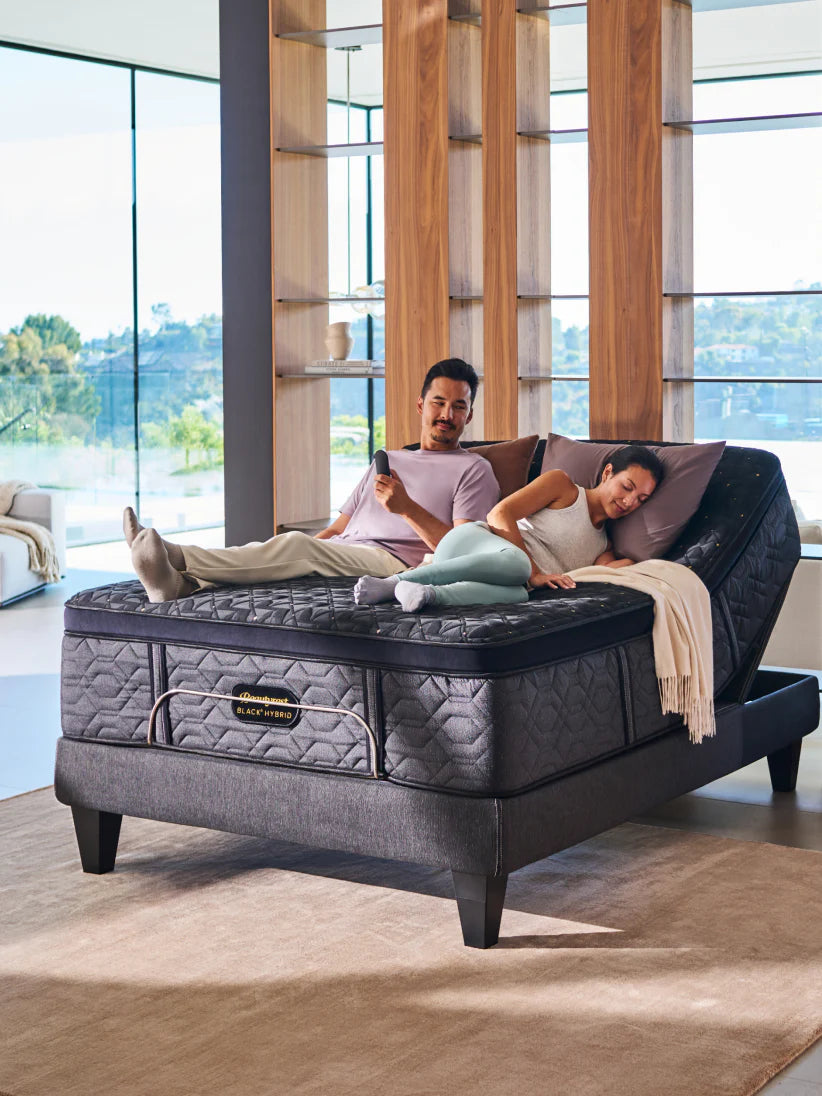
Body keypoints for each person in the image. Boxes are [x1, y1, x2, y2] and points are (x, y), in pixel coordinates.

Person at [124, 358, 500, 602]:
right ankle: (178, 585)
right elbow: (338, 529)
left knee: (295, 547)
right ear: (421, 405)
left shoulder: (473, 469)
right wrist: (302, 555)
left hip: (395, 562)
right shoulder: (389, 459)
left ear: (469, 415)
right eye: (439, 402)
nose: (447, 414)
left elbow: (462, 554)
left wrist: (406, 509)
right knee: (294, 549)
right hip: (346, 552)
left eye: (459, 406)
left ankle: (175, 554)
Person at [353, 445, 664, 611]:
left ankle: (425, 593)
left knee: (519, 596)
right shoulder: (564, 486)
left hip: (506, 579)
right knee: (517, 569)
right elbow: (501, 513)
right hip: (471, 543)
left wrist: (658, 560)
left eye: (642, 499)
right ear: (608, 472)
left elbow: (620, 571)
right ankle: (392, 582)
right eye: (627, 487)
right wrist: (534, 572)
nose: (629, 501)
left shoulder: (603, 546)